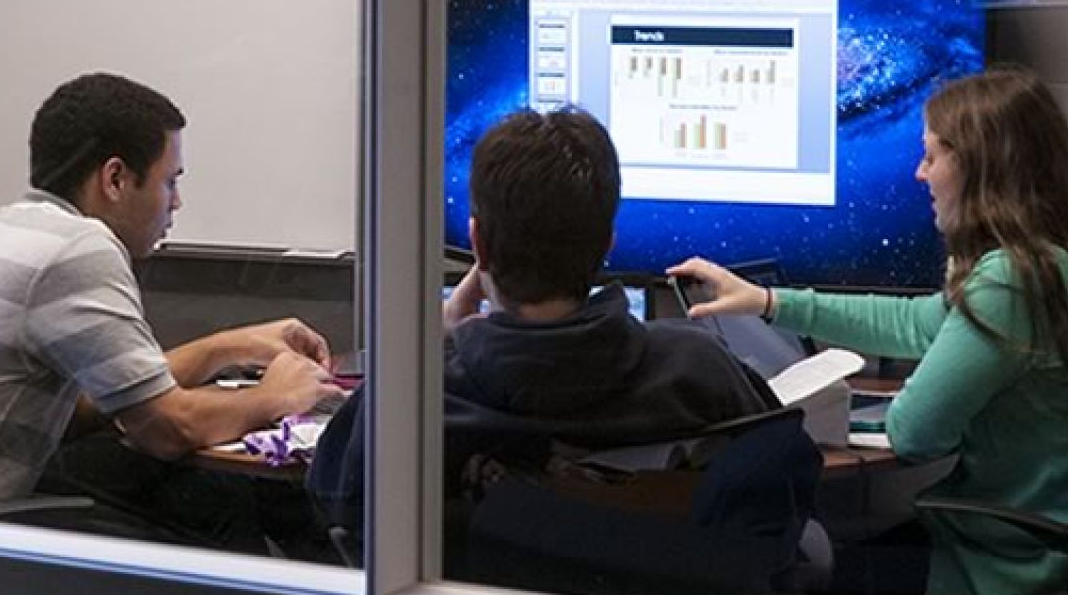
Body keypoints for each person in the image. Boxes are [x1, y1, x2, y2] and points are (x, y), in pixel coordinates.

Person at [671, 65, 1068, 595]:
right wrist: (769, 301)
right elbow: (920, 322)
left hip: (1004, 566)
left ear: (978, 165)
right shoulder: (1055, 258)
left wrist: (927, 384)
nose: (920, 174)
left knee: (796, 579)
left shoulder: (1009, 281)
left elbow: (915, 433)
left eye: (932, 156)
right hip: (1044, 543)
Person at [0, 72, 344, 535]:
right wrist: (274, 398)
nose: (176, 203)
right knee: (216, 511)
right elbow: (168, 429)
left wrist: (223, 348)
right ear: (115, 179)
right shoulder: (77, 247)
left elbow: (89, 407)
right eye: (170, 181)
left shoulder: (4, 227)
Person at [309, 107, 781, 535]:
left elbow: (338, 501)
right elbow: (781, 488)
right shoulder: (699, 370)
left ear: (479, 246)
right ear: (607, 243)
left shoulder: (412, 394)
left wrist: (420, 349)